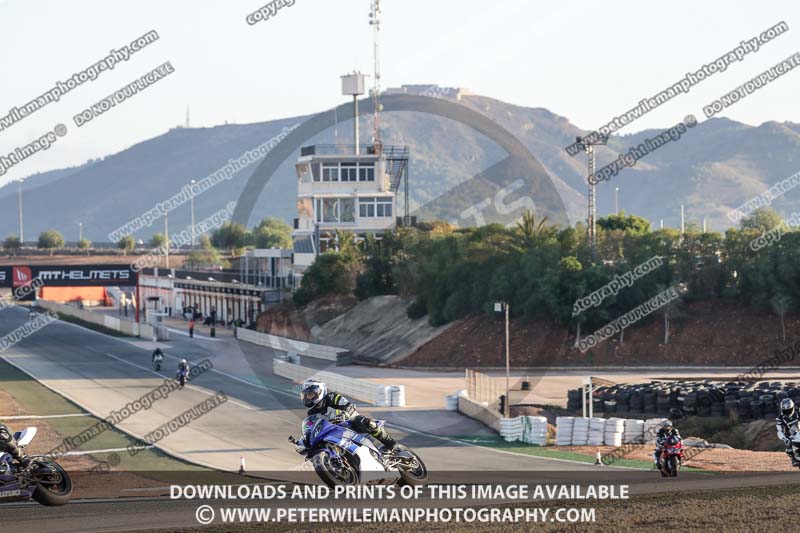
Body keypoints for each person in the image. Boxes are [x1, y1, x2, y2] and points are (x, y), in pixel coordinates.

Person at [299, 379, 396, 451]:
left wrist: (344, 414)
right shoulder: (312, 413)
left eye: (310, 395)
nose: (308, 398)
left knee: (366, 422)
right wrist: (305, 439)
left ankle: (390, 443)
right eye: (306, 396)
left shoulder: (332, 397)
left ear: (319, 392)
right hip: (333, 432)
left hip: (348, 423)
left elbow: (348, 406)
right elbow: (310, 427)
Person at [776, 398, 800, 466]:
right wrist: (784, 438)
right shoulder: (780, 418)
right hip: (792, 435)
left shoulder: (798, 412)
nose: (787, 412)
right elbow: (779, 430)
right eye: (785, 411)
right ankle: (793, 459)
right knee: (788, 444)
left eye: (789, 410)